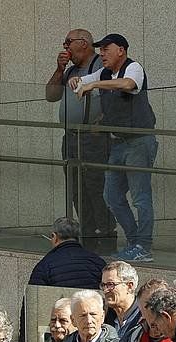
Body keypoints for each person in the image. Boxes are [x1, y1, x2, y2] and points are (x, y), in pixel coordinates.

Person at [70, 33, 158, 263]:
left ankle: (144, 246)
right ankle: (134, 241)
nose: (102, 54)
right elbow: (83, 81)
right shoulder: (105, 72)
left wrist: (94, 84)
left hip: (139, 140)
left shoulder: (134, 67)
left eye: (106, 49)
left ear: (121, 50)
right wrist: (76, 82)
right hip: (118, 142)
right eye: (100, 50)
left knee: (141, 197)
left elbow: (128, 85)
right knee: (111, 195)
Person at [45, 28, 116, 252]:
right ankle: (86, 235)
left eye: (68, 43)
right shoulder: (70, 70)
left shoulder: (101, 67)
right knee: (77, 189)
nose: (65, 47)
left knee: (97, 187)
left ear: (83, 43)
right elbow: (51, 95)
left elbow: (116, 97)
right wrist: (59, 69)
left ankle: (104, 236)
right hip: (71, 138)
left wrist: (102, 122)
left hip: (93, 139)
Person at [27, 217, 110, 288]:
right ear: (77, 236)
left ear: (54, 237)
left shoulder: (45, 265)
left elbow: (33, 300)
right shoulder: (97, 261)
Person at [102, 260, 143, 342]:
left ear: (129, 286)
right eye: (103, 285)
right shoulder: (104, 316)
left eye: (111, 284)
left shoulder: (144, 317)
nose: (105, 290)